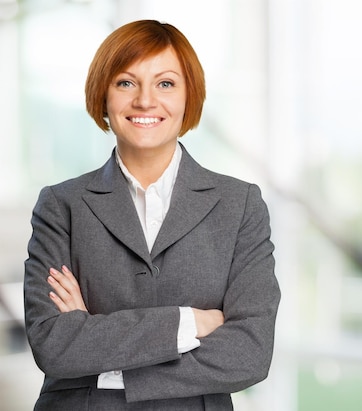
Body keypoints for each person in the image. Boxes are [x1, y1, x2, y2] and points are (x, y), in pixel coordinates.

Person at [23, 19, 280, 410]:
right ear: (103, 96)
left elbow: (249, 353)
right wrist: (189, 323)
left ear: (188, 96)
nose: (145, 100)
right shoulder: (61, 206)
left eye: (165, 83)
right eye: (126, 83)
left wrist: (107, 366)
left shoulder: (239, 204)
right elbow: (55, 345)